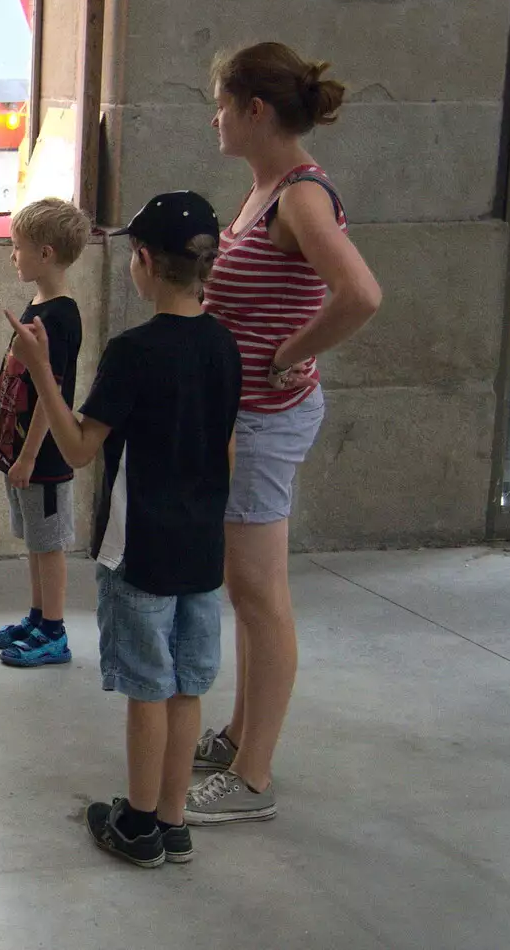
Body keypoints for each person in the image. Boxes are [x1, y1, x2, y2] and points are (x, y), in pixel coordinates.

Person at [8, 191, 241, 867]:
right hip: (203, 547)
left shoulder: (133, 352)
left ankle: (137, 826)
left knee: (147, 689)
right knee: (188, 686)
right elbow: (226, 447)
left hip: (139, 551)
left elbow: (79, 449)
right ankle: (173, 819)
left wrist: (42, 370)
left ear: (141, 261)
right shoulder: (224, 343)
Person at [185, 43, 382, 826]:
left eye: (223, 104)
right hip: (244, 417)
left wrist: (287, 355)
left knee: (261, 594)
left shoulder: (301, 196)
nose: (216, 118)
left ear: (254, 111)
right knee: (247, 589)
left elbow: (360, 294)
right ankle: (240, 735)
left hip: (266, 421)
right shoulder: (265, 188)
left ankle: (253, 777)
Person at [0, 198, 89, 667]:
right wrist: (5, 441)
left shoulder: (61, 317)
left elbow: (52, 396)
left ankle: (55, 630)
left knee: (49, 546)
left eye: (17, 247)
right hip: (21, 452)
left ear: (46, 254)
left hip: (45, 458)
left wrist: (27, 456)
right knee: (34, 540)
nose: (13, 256)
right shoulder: (37, 303)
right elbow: (18, 384)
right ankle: (37, 615)